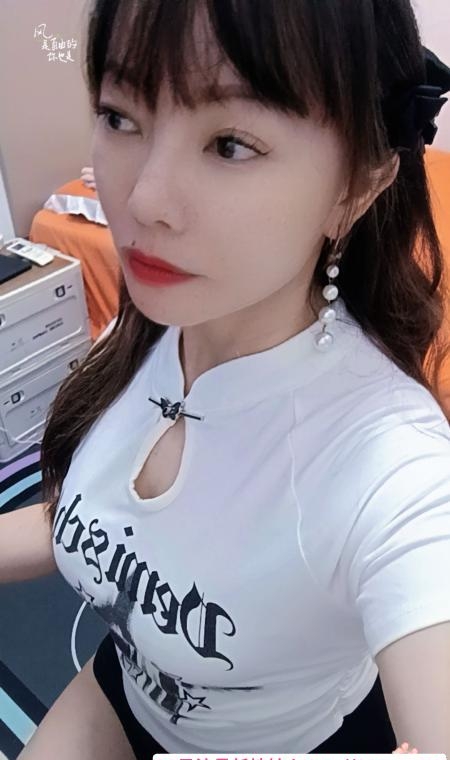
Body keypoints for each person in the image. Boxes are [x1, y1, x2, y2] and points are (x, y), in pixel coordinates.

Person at [3, 0, 450, 757]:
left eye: (231, 144)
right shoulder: (159, 318)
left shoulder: (391, 463)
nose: (141, 199)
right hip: (129, 681)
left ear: (356, 187)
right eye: (120, 116)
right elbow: (92, 519)